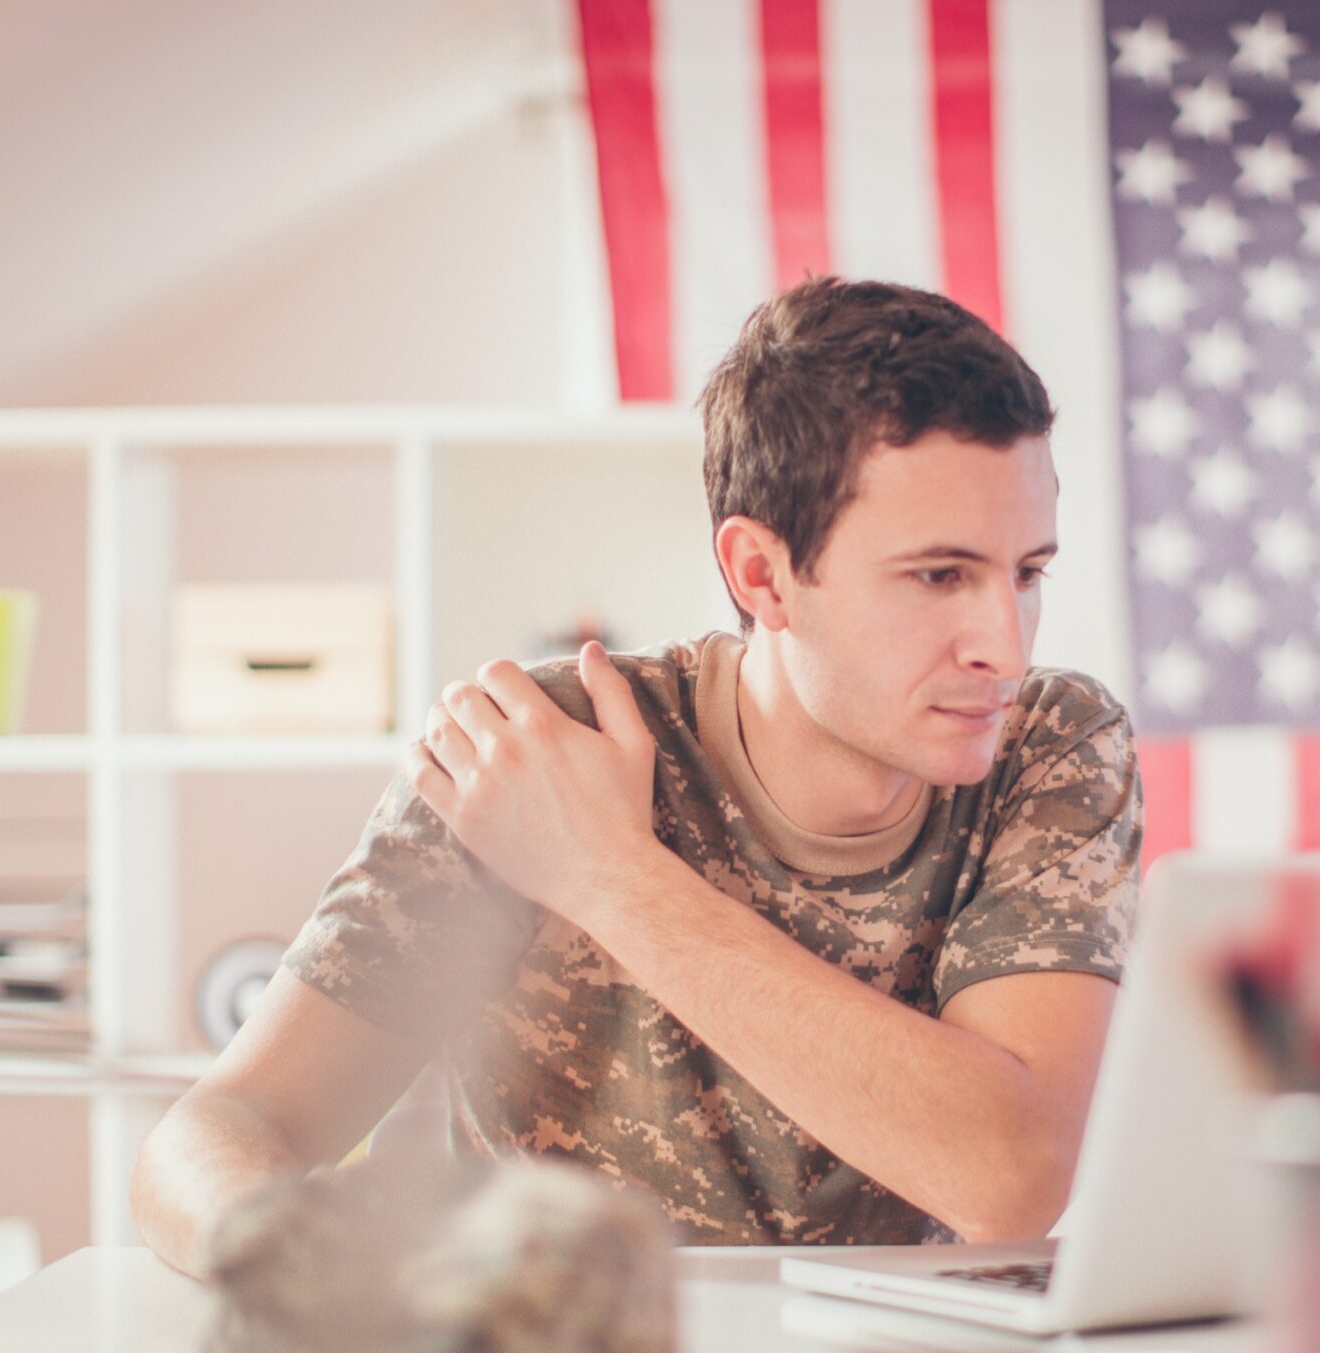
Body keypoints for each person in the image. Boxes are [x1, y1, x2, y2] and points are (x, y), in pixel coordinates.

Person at [132, 277, 1141, 1275]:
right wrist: (287, 1261)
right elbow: (220, 1127)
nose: (1003, 649)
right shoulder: (536, 751)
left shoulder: (1049, 744)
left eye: (1027, 572)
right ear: (762, 574)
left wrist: (607, 872)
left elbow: (1009, 1176)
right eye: (938, 576)